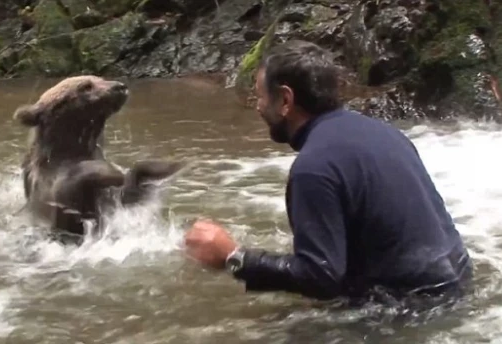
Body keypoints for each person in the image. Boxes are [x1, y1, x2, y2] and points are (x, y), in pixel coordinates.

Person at [184, 40, 473, 304]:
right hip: (458, 284)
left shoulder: (314, 168)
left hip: (412, 309)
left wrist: (235, 258)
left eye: (260, 96)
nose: (258, 107)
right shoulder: (385, 133)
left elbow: (320, 277)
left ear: (285, 100)